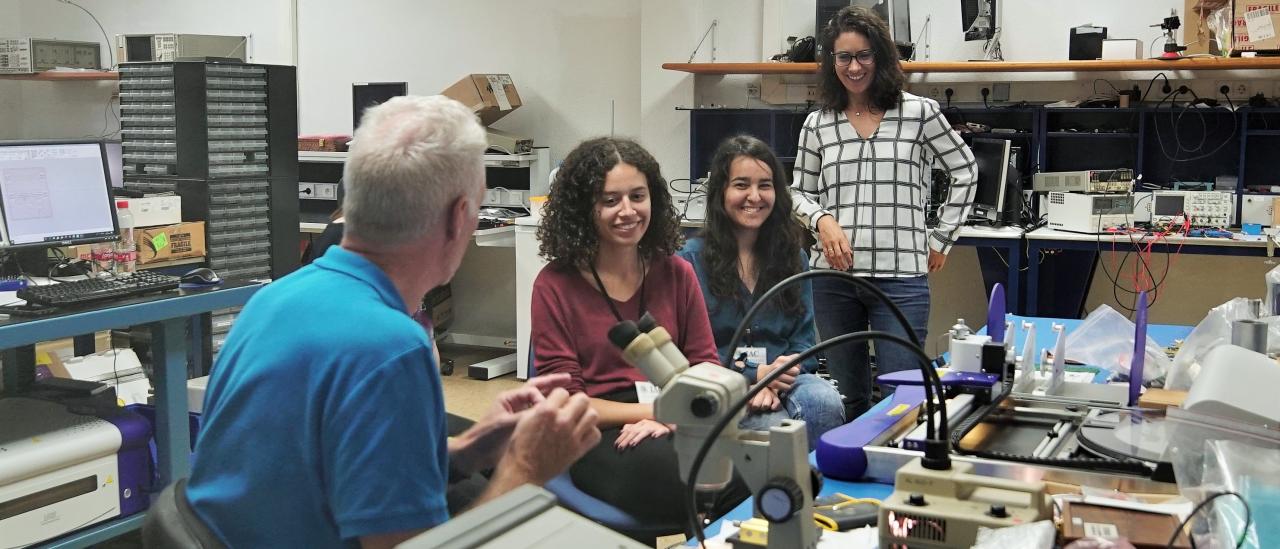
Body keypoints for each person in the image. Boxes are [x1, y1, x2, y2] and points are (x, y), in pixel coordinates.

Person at [186, 95, 600, 549]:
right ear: (459, 217)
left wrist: (472, 449)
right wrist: (525, 469)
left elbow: (326, 462)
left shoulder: (278, 297)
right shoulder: (391, 347)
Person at [530, 137, 746, 528]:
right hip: (598, 432)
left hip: (677, 416)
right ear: (583, 208)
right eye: (610, 200)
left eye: (637, 196)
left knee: (750, 474)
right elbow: (567, 405)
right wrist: (660, 413)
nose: (627, 211)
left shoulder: (677, 273)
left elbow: (707, 368)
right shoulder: (554, 285)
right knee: (693, 479)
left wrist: (671, 418)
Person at [792, 6, 978, 420]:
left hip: (901, 280)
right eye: (844, 57)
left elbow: (965, 170)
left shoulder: (920, 113)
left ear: (881, 56)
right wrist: (822, 220)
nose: (854, 67)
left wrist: (942, 238)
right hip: (834, 279)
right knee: (847, 397)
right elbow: (798, 192)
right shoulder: (817, 124)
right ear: (831, 62)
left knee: (904, 399)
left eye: (864, 55)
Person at [676, 135, 845, 448]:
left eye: (764, 185)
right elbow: (689, 352)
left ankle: (819, 492)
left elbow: (804, 342)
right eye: (741, 185)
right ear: (721, 193)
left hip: (786, 378)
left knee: (824, 403)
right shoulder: (689, 262)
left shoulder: (795, 259)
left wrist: (777, 375)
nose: (754, 196)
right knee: (772, 426)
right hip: (719, 380)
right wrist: (753, 376)